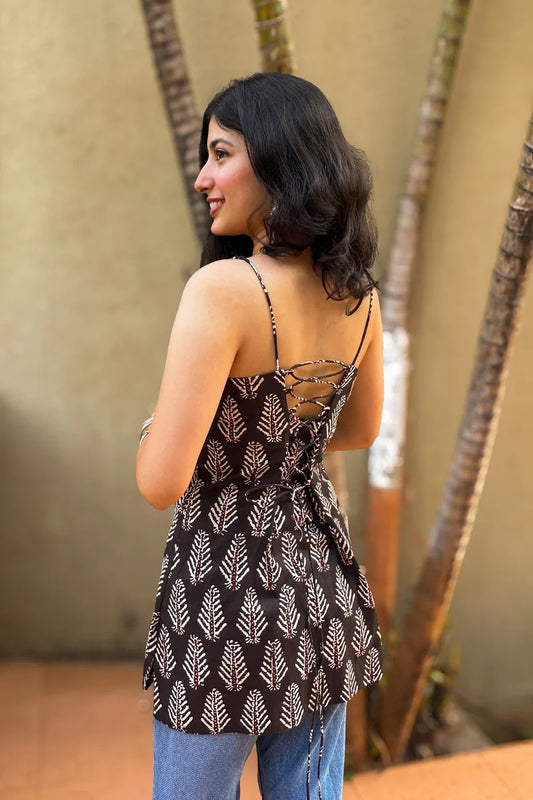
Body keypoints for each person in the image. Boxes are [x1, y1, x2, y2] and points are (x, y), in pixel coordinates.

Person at [137, 72, 384, 800]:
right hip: (317, 588)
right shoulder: (357, 294)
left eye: (220, 154)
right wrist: (274, 449)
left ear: (277, 160)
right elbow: (359, 430)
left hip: (220, 594)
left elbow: (161, 481)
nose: (202, 176)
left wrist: (160, 430)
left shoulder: (221, 291)